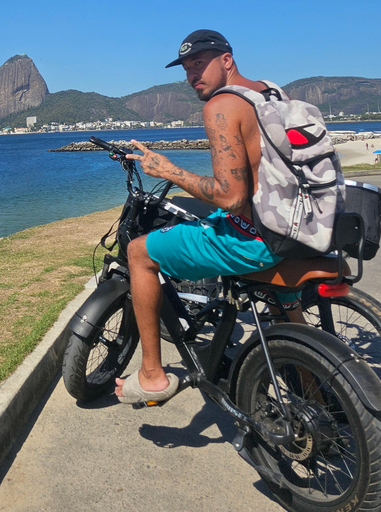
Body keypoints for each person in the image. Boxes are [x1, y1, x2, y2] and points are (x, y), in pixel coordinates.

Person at [114, 29, 300, 403]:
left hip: (257, 238)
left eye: (199, 64)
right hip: (298, 228)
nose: (191, 75)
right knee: (286, 302)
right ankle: (311, 383)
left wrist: (167, 170)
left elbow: (231, 197)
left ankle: (152, 375)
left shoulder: (222, 106)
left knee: (139, 252)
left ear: (226, 60)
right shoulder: (273, 93)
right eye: (186, 69)